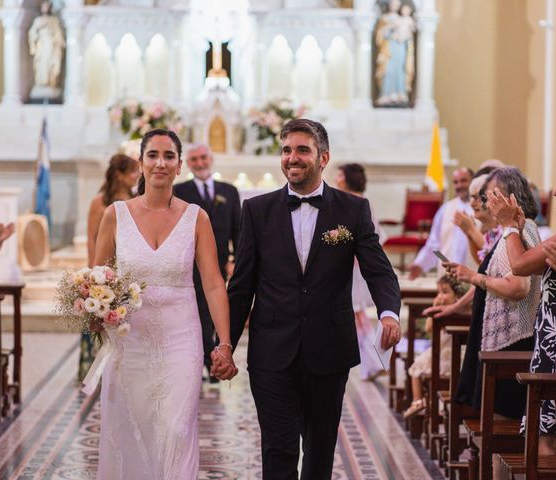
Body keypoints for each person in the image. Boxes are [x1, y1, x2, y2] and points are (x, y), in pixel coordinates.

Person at [227, 118, 402, 478]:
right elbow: (242, 285)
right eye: (287, 150)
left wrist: (389, 313)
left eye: (302, 150)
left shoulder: (352, 210)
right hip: (272, 351)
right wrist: (223, 343)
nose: (293, 157)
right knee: (278, 449)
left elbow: (379, 270)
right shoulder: (257, 212)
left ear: (323, 158)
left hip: (329, 349)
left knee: (320, 452)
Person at [93, 129, 237, 479]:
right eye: (153, 155)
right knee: (132, 430)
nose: (160, 163)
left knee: (176, 429)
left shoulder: (196, 217)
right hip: (130, 343)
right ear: (140, 164)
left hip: (181, 341)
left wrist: (225, 343)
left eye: (169, 156)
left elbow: (214, 284)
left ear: (179, 166)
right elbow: (96, 278)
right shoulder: (115, 215)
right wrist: (96, 313)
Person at [489, 160, 556, 456]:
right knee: (553, 436)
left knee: (552, 439)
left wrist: (509, 227)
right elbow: (537, 260)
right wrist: (522, 227)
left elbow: (522, 266)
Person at [446, 168, 541, 425]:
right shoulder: (509, 232)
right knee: (493, 420)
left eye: (490, 197)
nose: (486, 204)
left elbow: (519, 287)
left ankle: (496, 466)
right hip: (502, 341)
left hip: (514, 342)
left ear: (510, 197)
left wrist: (476, 278)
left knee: (502, 422)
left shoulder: (525, 229)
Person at [174, 143, 241, 382]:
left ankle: (214, 357)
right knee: (199, 313)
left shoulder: (229, 191)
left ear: (210, 159)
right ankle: (206, 360)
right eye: (194, 159)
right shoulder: (179, 191)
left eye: (203, 157)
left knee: (217, 314)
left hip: (221, 264)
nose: (200, 163)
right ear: (187, 164)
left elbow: (238, 231)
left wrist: (235, 261)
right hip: (190, 265)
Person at [79, 153, 139, 381]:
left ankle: (122, 367)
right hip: (104, 267)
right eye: (132, 171)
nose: (137, 176)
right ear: (119, 174)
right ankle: (96, 371)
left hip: (127, 268)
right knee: (101, 320)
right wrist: (96, 273)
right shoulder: (101, 201)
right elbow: (92, 238)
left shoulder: (136, 199)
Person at [335, 163, 386, 380]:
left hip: (353, 268)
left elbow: (375, 236)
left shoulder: (358, 202)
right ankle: (371, 363)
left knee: (357, 316)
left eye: (339, 174)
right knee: (357, 316)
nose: (336, 178)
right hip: (345, 266)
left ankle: (374, 362)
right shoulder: (345, 200)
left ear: (347, 178)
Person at [403, 275, 467, 418]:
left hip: (446, 358)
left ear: (458, 296)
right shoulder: (463, 312)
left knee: (415, 367)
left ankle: (418, 400)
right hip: (448, 357)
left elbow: (428, 328)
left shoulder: (446, 313)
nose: (440, 296)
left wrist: (434, 308)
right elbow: (429, 329)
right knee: (417, 366)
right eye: (438, 292)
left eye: (445, 292)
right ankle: (420, 402)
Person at [408, 168, 475, 280]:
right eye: (455, 182)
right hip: (447, 274)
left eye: (463, 181)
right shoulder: (445, 209)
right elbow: (434, 243)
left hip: (473, 273)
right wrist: (420, 264)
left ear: (473, 181)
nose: (459, 185)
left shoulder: (480, 210)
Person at [375, 0, 416, 106]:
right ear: (389, 4)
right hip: (388, 48)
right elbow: (379, 36)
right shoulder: (384, 18)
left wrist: (405, 36)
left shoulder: (402, 19)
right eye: (392, 3)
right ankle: (386, 94)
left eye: (397, 4)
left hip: (400, 47)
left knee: (400, 70)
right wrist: (390, 28)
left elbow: (409, 34)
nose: (395, 6)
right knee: (388, 70)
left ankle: (400, 94)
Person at [28, 1, 65, 90]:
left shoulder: (54, 20)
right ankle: (41, 82)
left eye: (47, 6)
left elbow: (58, 32)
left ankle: (51, 82)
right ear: (41, 8)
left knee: (51, 62)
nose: (45, 8)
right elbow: (32, 32)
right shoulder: (38, 20)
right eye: (43, 7)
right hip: (42, 44)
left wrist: (60, 41)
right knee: (42, 63)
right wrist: (36, 40)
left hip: (52, 44)